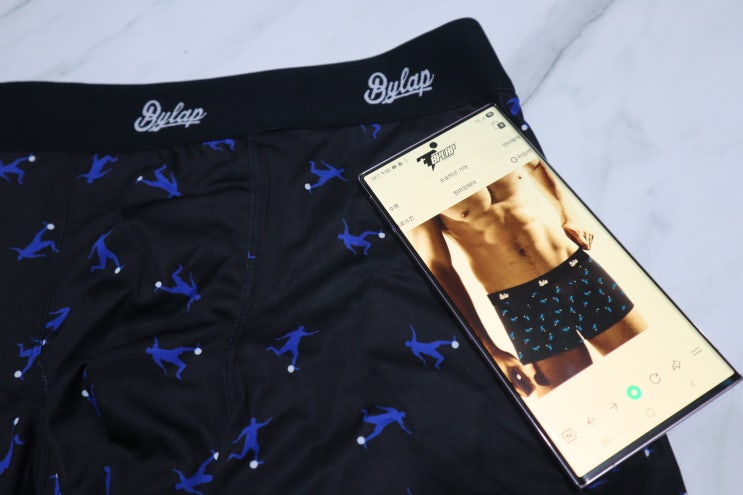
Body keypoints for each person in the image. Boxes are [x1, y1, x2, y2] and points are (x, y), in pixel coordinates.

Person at [409, 158, 647, 396]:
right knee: (576, 399)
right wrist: (489, 348)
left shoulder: (483, 143)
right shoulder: (415, 181)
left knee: (646, 366)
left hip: (576, 272)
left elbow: (535, 165)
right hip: (523, 304)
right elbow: (438, 266)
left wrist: (568, 215)